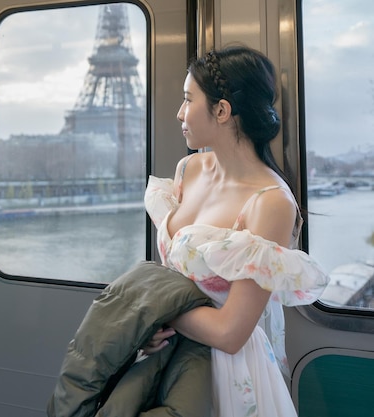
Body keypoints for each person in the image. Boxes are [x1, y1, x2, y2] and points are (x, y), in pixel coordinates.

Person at [142, 45, 329, 416]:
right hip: (170, 358)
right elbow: (169, 275)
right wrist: (150, 327)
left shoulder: (270, 202)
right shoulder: (188, 170)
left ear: (222, 111)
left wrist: (152, 313)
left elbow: (231, 332)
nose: (179, 113)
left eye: (187, 100)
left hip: (228, 374)